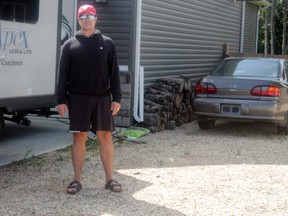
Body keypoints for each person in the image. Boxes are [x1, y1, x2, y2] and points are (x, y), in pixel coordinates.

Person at [56, 4, 122, 194]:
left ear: (96, 19)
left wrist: (116, 98)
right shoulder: (69, 45)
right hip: (78, 99)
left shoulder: (107, 43)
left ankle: (110, 179)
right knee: (79, 137)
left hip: (102, 98)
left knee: (105, 136)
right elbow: (63, 75)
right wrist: (61, 99)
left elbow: (114, 73)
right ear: (79, 20)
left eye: (90, 16)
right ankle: (76, 180)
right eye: (83, 16)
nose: (87, 19)